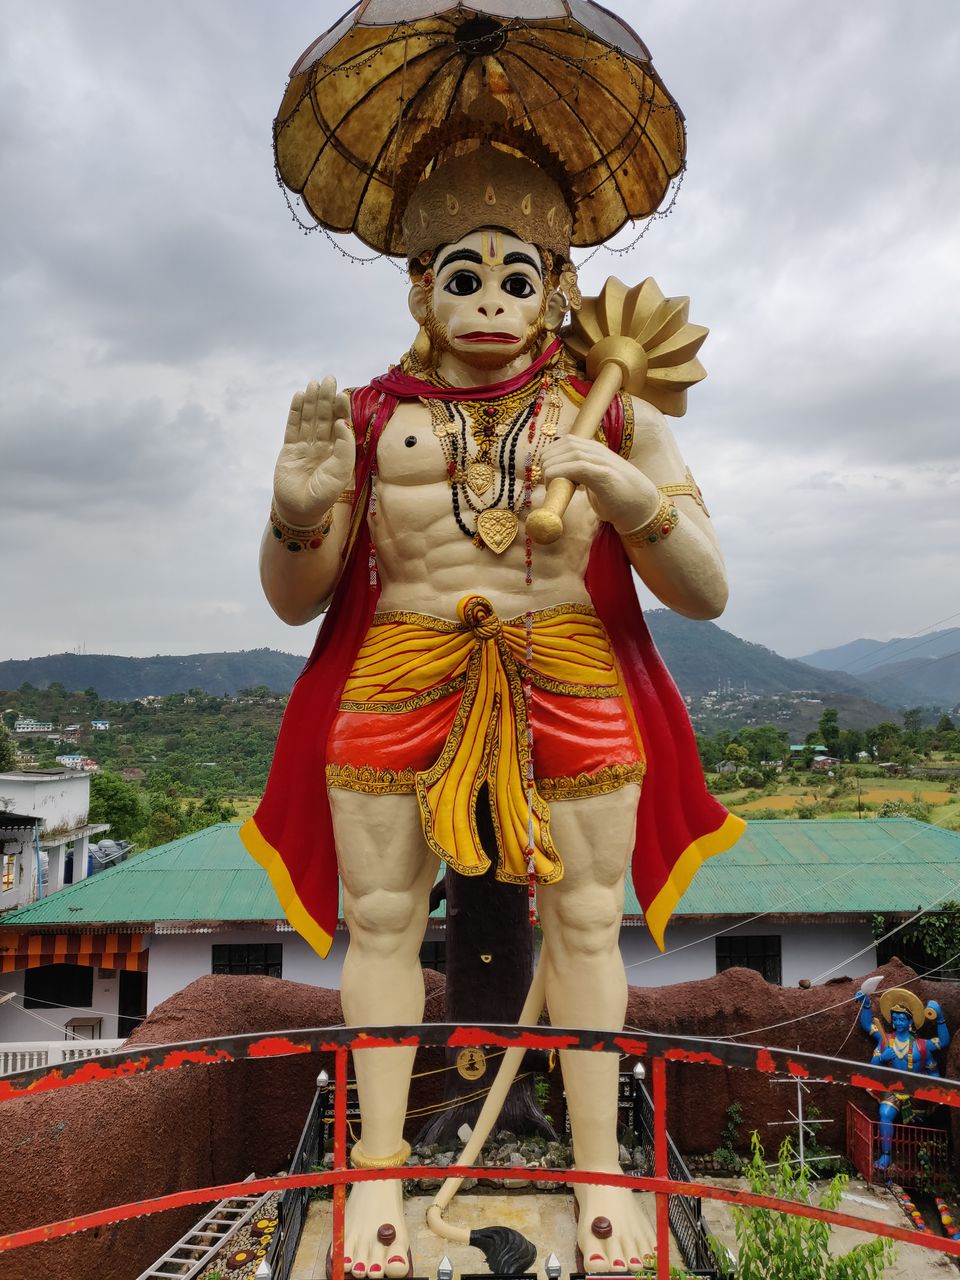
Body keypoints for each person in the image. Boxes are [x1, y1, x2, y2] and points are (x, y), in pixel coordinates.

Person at [242, 144, 743, 1277]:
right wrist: (294, 512)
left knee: (584, 921)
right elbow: (291, 601)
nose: (489, 299)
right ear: (418, 288)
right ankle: (375, 1163)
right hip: (397, 666)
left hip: (566, 667)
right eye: (461, 275)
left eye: (518, 278)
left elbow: (708, 589)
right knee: (378, 921)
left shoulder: (613, 420)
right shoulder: (370, 417)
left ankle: (603, 1167)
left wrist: (626, 496)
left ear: (558, 289)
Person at [855, 985, 949, 1169]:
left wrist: (940, 1018)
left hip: (916, 1090)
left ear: (910, 1022)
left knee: (921, 1124)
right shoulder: (885, 1040)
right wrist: (866, 1006)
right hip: (892, 1089)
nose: (898, 1022)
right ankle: (886, 1155)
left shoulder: (922, 1045)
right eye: (895, 1018)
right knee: (885, 1114)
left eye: (902, 1019)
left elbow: (943, 1042)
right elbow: (868, 1029)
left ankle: (925, 1157)